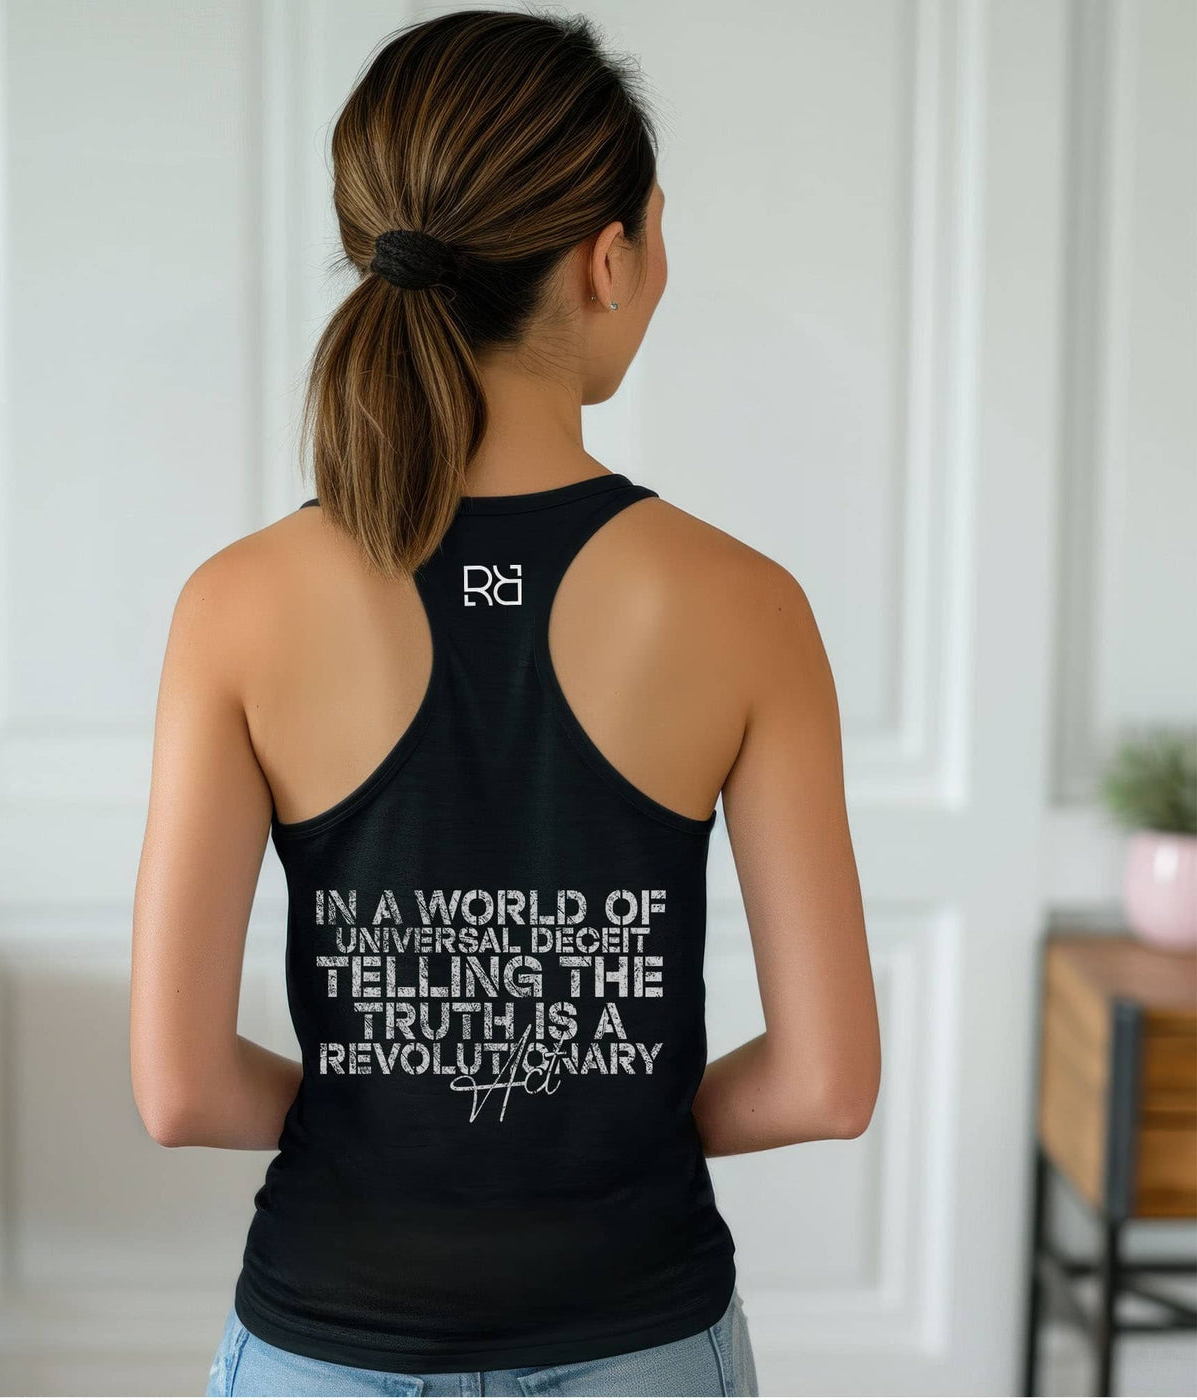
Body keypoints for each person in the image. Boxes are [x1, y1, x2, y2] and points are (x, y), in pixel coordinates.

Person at [130, 9, 880, 1397]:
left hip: (324, 1341)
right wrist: (619, 1118)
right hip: (640, 1338)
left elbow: (178, 1091)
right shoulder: (743, 606)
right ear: (613, 256)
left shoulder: (234, 603)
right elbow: (828, 1084)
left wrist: (388, 1114)